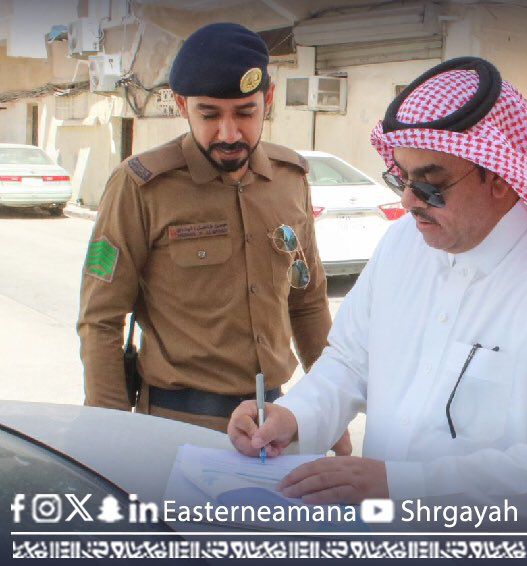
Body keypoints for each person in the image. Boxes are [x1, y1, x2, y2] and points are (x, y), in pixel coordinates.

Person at [226, 57, 527, 532]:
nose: (407, 200)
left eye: (430, 185)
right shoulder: (402, 245)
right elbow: (350, 362)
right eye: (400, 178)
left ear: (499, 177)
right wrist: (292, 418)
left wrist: (401, 486)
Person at [78, 23, 344, 451]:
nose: (229, 133)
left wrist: (330, 409)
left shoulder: (289, 179)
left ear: (268, 100)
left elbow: (308, 304)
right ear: (182, 104)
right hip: (177, 429)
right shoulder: (140, 186)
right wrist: (110, 434)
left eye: (245, 113)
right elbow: (100, 319)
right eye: (209, 115)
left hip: (274, 427)